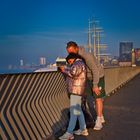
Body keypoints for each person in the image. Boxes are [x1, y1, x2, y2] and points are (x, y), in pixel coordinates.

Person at [66, 41, 106, 130]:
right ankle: (101, 115)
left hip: (98, 76)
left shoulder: (87, 56)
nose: (70, 54)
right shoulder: (75, 57)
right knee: (88, 97)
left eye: (72, 51)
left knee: (97, 97)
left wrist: (95, 85)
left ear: (76, 48)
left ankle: (99, 120)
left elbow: (95, 70)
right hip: (87, 78)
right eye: (69, 52)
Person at [59, 53, 89, 140]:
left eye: (70, 61)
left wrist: (63, 69)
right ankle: (83, 129)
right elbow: (74, 72)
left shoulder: (78, 63)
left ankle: (69, 133)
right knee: (78, 111)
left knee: (73, 112)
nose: (70, 63)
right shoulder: (80, 63)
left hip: (76, 90)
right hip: (77, 90)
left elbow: (73, 73)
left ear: (73, 58)